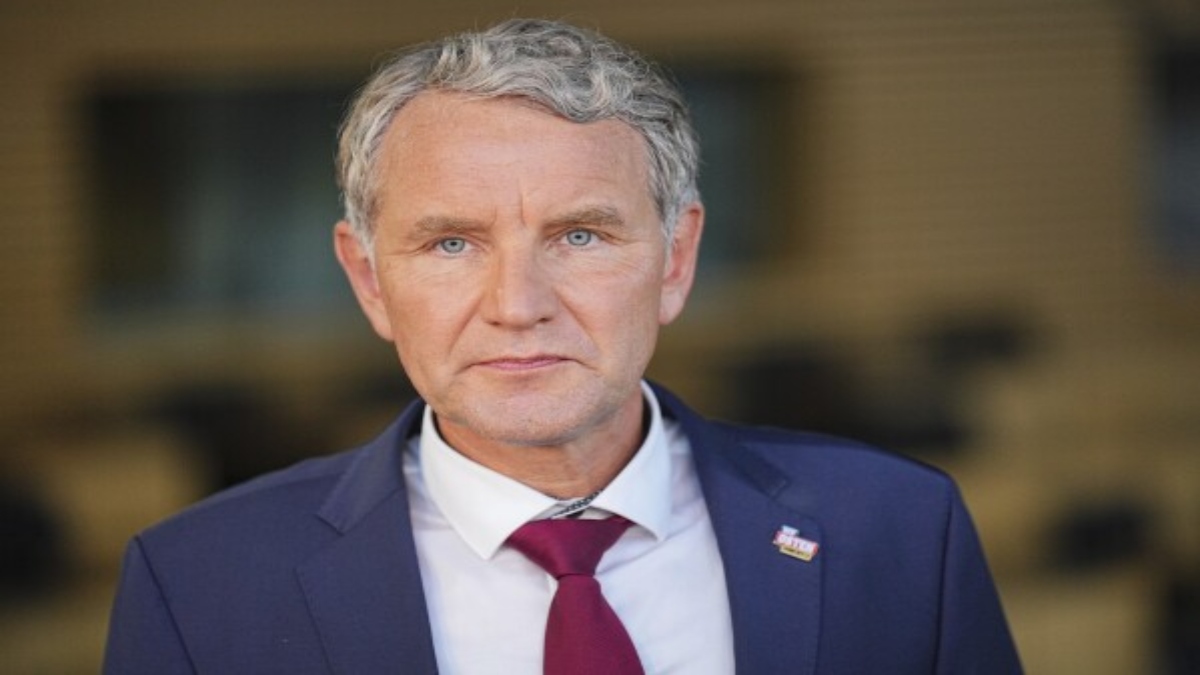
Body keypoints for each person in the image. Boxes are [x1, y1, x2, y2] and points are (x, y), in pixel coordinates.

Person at [103, 18, 1021, 674]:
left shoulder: (901, 530)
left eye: (580, 235)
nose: (518, 305)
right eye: (451, 243)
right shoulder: (198, 583)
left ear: (676, 260)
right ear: (370, 279)